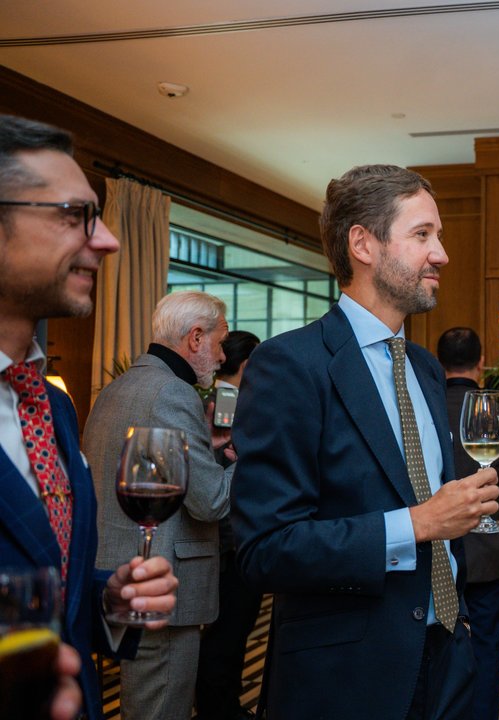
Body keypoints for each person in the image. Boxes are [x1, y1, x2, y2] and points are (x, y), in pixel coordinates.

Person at [231, 164, 499, 720]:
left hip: (449, 656)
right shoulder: (290, 365)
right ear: (363, 244)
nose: (442, 253)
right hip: (347, 677)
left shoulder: (424, 369)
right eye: (422, 234)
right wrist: (418, 524)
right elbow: (266, 549)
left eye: (438, 235)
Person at [0, 114, 177, 720]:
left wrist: (109, 600)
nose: (107, 241)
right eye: (75, 214)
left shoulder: (50, 405)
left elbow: (50, 586)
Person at [85, 289, 236, 720]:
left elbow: (150, 471)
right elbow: (211, 501)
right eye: (220, 342)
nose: (222, 356)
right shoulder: (174, 393)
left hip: (113, 573)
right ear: (195, 338)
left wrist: (207, 450)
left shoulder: (116, 388)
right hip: (162, 582)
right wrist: (249, 461)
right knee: (159, 707)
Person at [437, 326, 499, 720]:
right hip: (494, 552)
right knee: (488, 644)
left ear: (439, 362)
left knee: (437, 647)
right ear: (481, 362)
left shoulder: (424, 407)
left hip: (436, 549)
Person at [195, 330, 261, 720]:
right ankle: (219, 709)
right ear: (249, 364)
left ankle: (220, 705)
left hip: (223, 536)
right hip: (231, 536)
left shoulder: (212, 399)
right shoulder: (230, 404)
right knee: (230, 630)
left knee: (228, 630)